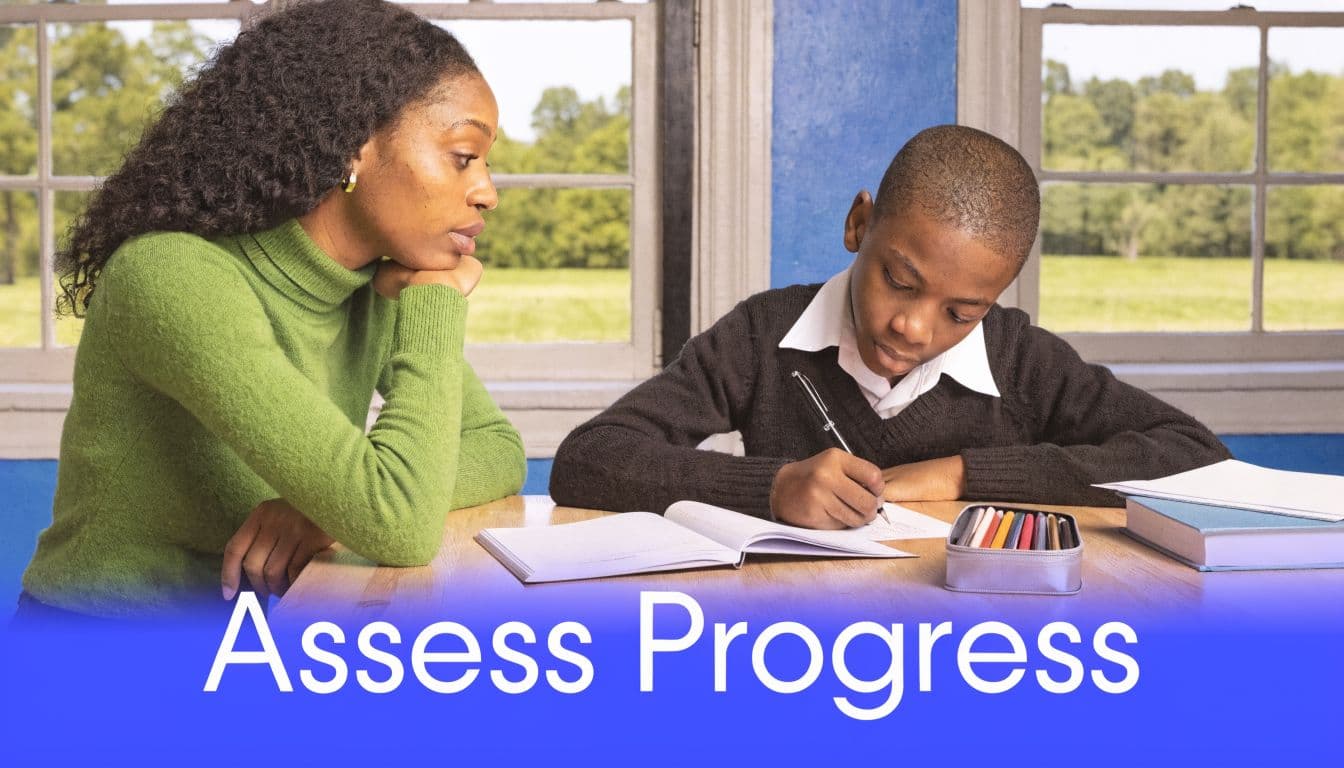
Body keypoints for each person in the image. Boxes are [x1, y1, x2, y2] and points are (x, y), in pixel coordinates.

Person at [19, 0, 525, 619]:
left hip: (261, 637)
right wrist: (436, 302)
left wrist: (325, 511)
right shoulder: (172, 276)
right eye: (464, 156)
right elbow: (399, 522)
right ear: (353, 146)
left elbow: (498, 450)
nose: (488, 192)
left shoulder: (375, 283)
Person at [550, 125, 1230, 529]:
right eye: (899, 281)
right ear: (859, 224)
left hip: (973, 647)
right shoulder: (763, 337)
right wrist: (772, 486)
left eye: (961, 313)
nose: (911, 325)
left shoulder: (1021, 360)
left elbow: (1194, 455)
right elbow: (587, 459)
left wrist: (966, 474)